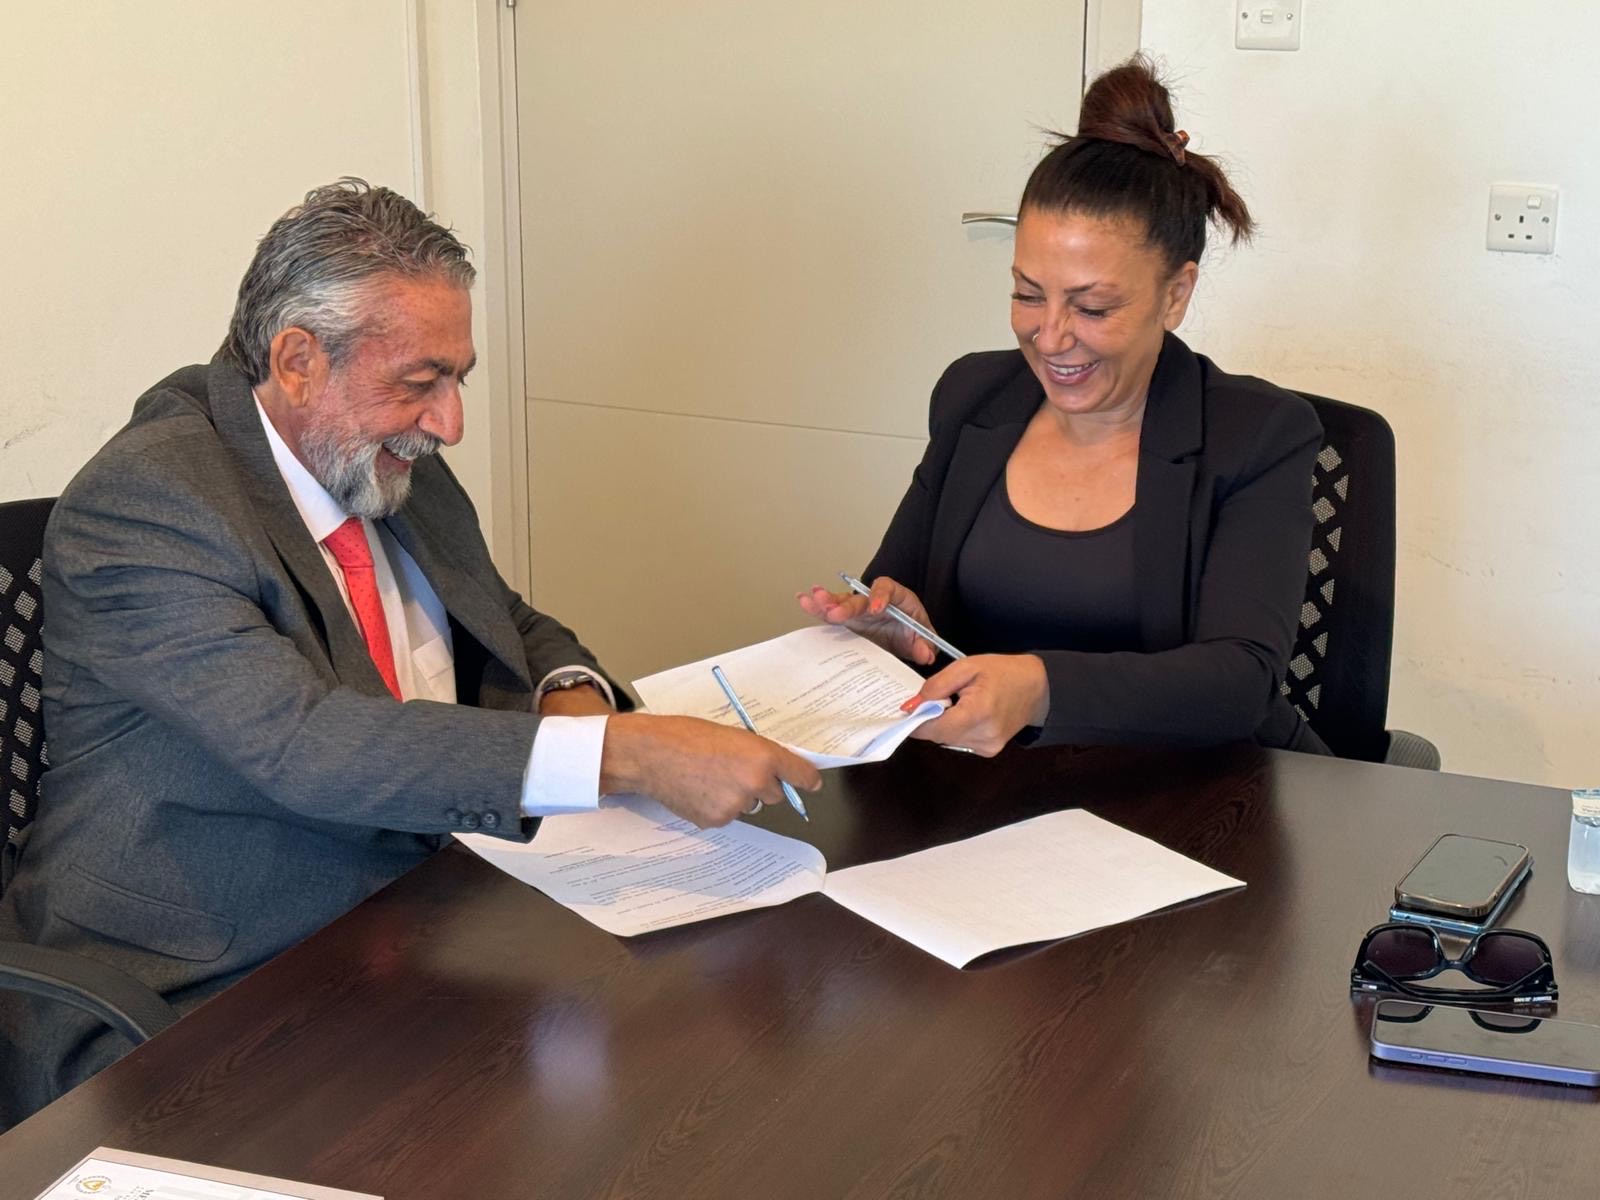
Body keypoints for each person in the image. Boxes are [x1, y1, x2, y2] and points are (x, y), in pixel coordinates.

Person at [0, 179, 820, 1124]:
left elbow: (506, 618)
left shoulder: (381, 457)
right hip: (198, 989)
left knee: (698, 1074)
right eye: (421, 382)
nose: (450, 422)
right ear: (298, 361)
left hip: (406, 922)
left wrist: (570, 692)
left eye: (458, 377)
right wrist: (622, 755)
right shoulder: (153, 502)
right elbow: (307, 745)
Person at [801, 57, 1328, 758]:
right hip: (990, 786)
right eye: (1027, 294)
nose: (1049, 338)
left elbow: (1240, 681)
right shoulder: (974, 398)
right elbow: (898, 595)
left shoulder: (1255, 435)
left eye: (1093, 307)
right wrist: (893, 629)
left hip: (1195, 789)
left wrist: (1043, 687)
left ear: (1176, 294)